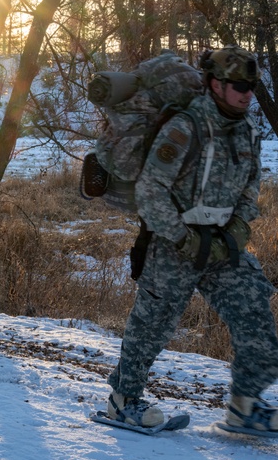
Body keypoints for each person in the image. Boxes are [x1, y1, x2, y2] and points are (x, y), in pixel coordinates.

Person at [106, 44, 278, 433]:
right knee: (152, 325)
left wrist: (235, 231)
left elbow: (251, 191)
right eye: (238, 85)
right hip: (173, 245)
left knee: (255, 310)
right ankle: (123, 399)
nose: (247, 93)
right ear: (215, 85)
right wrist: (185, 240)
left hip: (222, 247)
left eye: (250, 85)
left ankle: (245, 404)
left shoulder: (248, 131)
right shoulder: (186, 126)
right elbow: (151, 190)